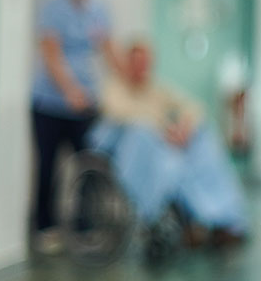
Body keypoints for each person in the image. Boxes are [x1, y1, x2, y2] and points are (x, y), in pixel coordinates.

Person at [92, 41, 250, 245]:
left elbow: (192, 106)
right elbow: (120, 114)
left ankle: (223, 217)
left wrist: (184, 127)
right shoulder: (114, 88)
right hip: (135, 149)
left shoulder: (156, 88)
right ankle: (195, 217)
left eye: (145, 63)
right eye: (137, 62)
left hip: (167, 144)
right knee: (170, 163)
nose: (142, 68)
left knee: (204, 142)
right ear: (128, 63)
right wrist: (163, 130)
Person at [30, 0, 122, 254]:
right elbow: (51, 53)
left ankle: (84, 225)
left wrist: (130, 79)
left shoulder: (97, 8)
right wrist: (69, 90)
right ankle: (45, 227)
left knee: (89, 163)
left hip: (85, 104)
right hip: (51, 104)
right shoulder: (54, 8)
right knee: (48, 166)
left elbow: (109, 50)